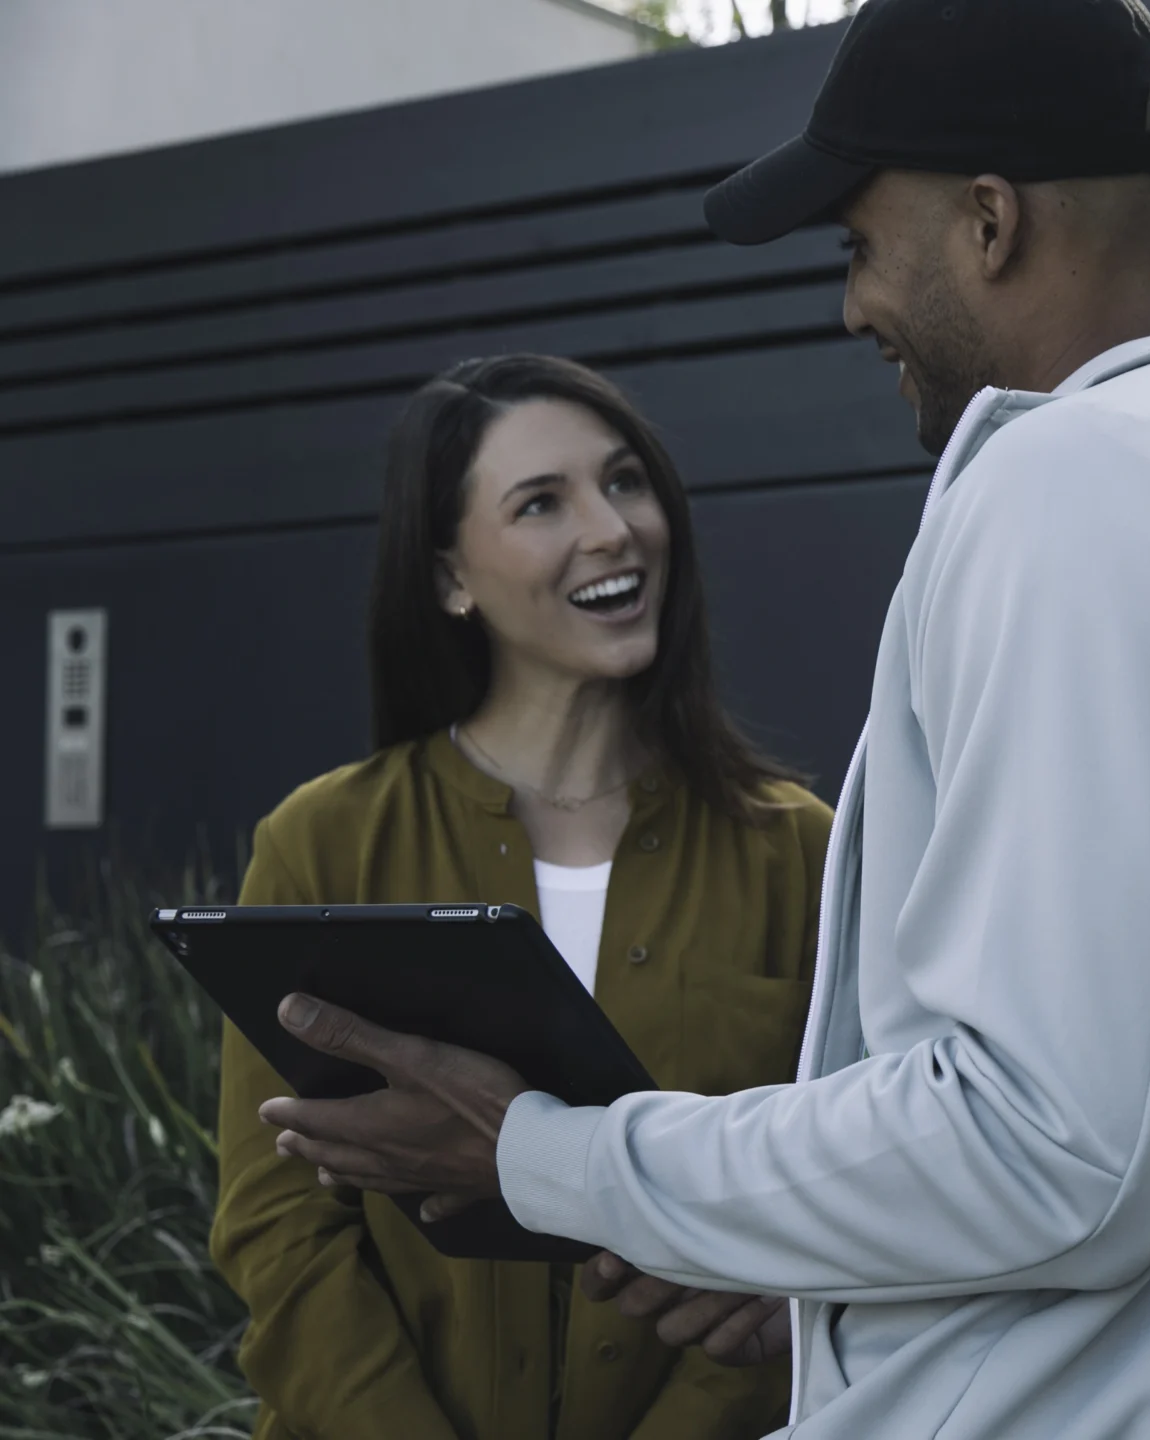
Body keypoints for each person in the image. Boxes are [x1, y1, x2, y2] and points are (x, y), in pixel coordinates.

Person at [254, 1, 1150, 1436]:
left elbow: (1047, 1147)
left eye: (858, 244)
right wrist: (813, 1274)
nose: (852, 306)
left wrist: (545, 1157)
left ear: (988, 221)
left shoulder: (1069, 489)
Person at [210, 354, 833, 1440]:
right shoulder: (325, 843)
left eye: (626, 481)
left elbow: (821, 1219)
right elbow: (277, 1230)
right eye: (542, 502)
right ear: (450, 574)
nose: (612, 529)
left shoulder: (802, 855)